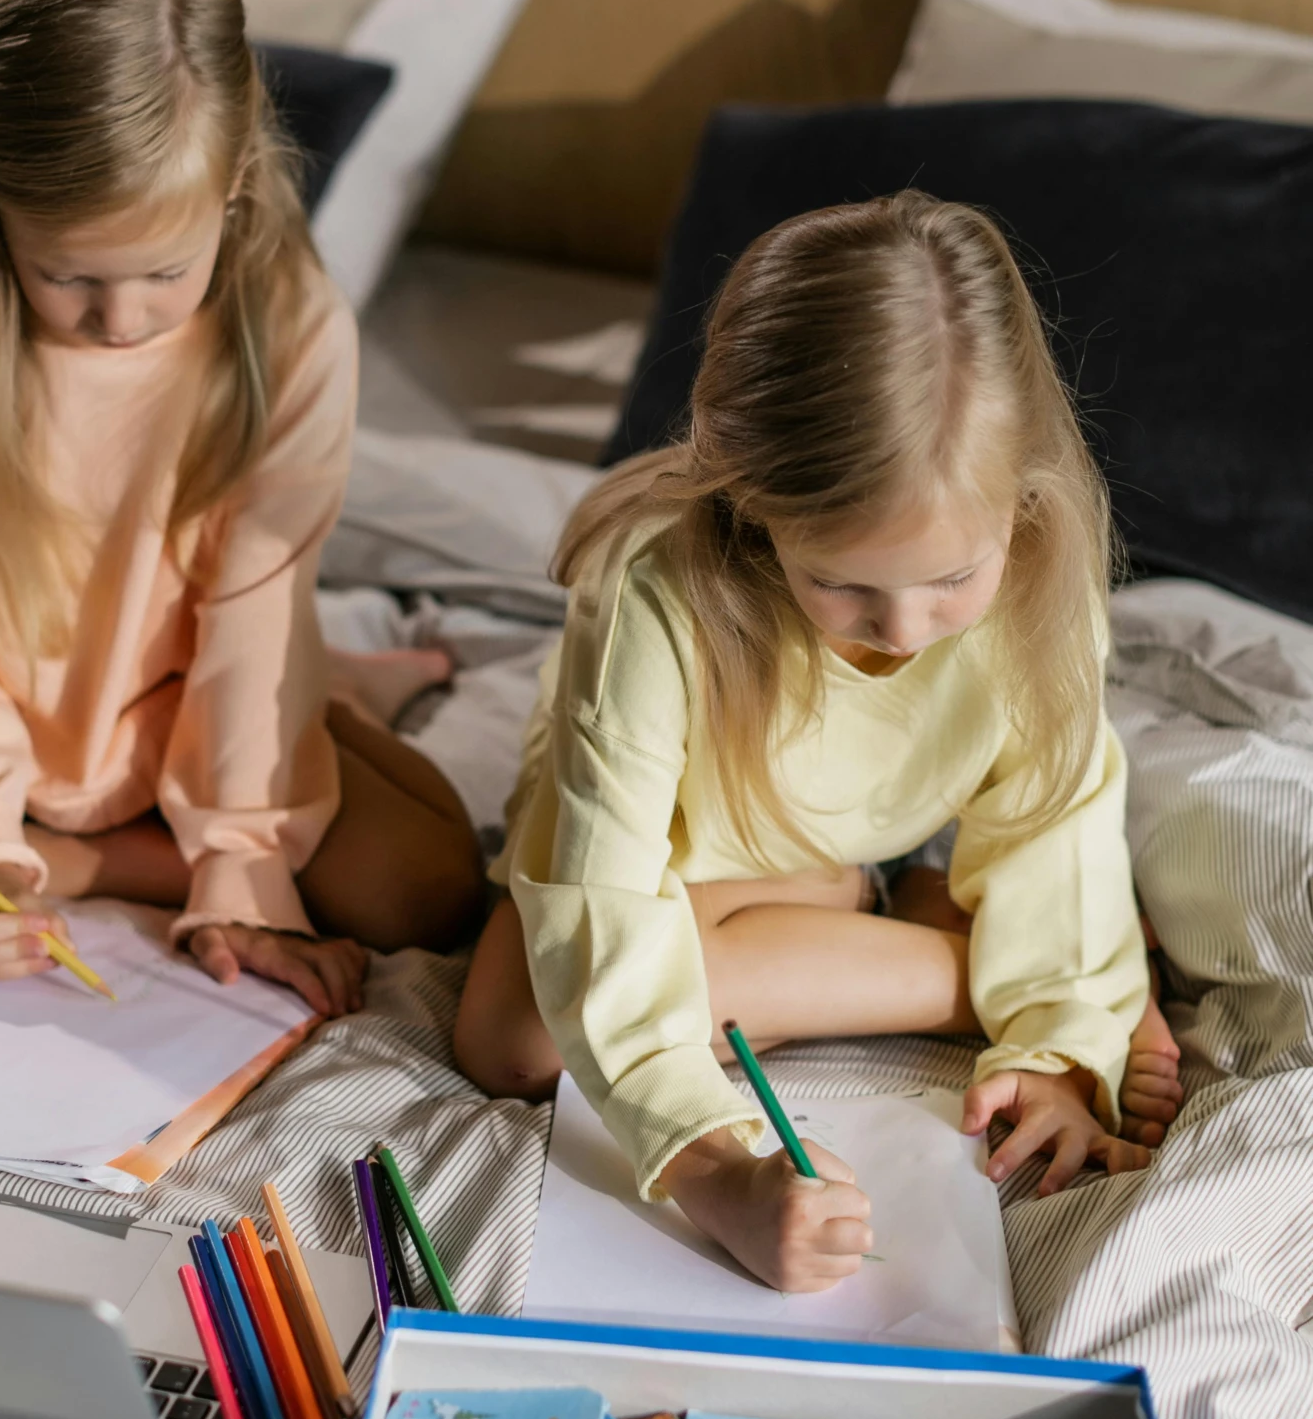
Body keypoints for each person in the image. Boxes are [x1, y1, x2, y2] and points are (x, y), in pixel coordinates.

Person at [454, 191, 1180, 1293]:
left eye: (951, 580)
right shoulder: (655, 592)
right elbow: (601, 895)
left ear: (1020, 503)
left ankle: (884, 910)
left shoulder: (1040, 574)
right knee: (511, 1041)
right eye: (839, 583)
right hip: (674, 840)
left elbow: (1052, 820)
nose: (901, 633)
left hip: (820, 833)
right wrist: (712, 1172)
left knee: (535, 1028)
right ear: (752, 508)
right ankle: (946, 956)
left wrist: (1059, 1052)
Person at [0, 0, 482, 1017]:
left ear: (232, 188)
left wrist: (241, 866)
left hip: (185, 713)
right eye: (68, 275)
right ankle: (62, 845)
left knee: (429, 891)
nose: (121, 317)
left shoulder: (289, 324)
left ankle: (286, 733)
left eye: (163, 273)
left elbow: (254, 608)